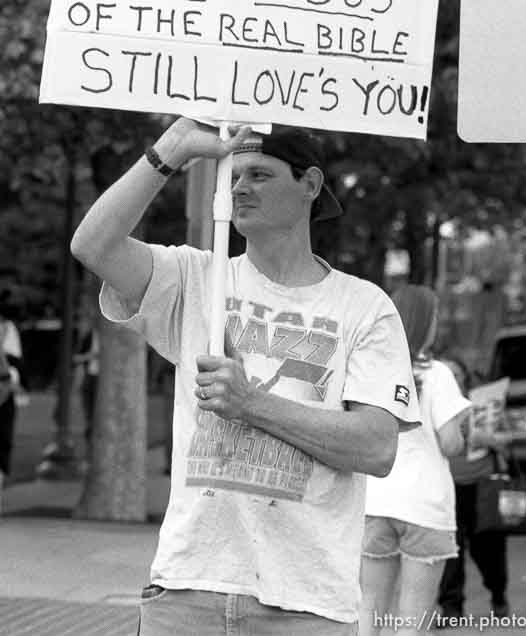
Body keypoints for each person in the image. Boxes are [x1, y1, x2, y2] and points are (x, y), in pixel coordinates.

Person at [71, 116, 421, 635]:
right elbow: (92, 247)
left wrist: (251, 403)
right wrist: (171, 150)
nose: (238, 187)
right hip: (187, 591)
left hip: (307, 606)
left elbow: (376, 448)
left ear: (310, 185)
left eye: (259, 174)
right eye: (233, 175)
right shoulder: (196, 279)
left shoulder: (364, 307)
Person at [359, 285, 471, 636]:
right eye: (435, 316)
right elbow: (451, 444)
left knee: (368, 608)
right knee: (412, 619)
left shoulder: (372, 369)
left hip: (375, 501)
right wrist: (467, 428)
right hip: (424, 506)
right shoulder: (438, 375)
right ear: (424, 323)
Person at [437, 357, 510, 620]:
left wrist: (487, 437)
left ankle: (498, 594)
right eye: (448, 374)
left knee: (487, 549)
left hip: (482, 486)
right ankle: (451, 608)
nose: (453, 379)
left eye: (457, 374)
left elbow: (506, 440)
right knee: (449, 551)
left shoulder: (484, 404)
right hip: (446, 486)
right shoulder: (432, 403)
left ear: (466, 377)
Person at [0, 295, 27, 512]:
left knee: (3, 440)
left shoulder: (7, 329)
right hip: (5, 388)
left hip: (4, 389)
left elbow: (13, 362)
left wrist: (11, 382)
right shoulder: (7, 329)